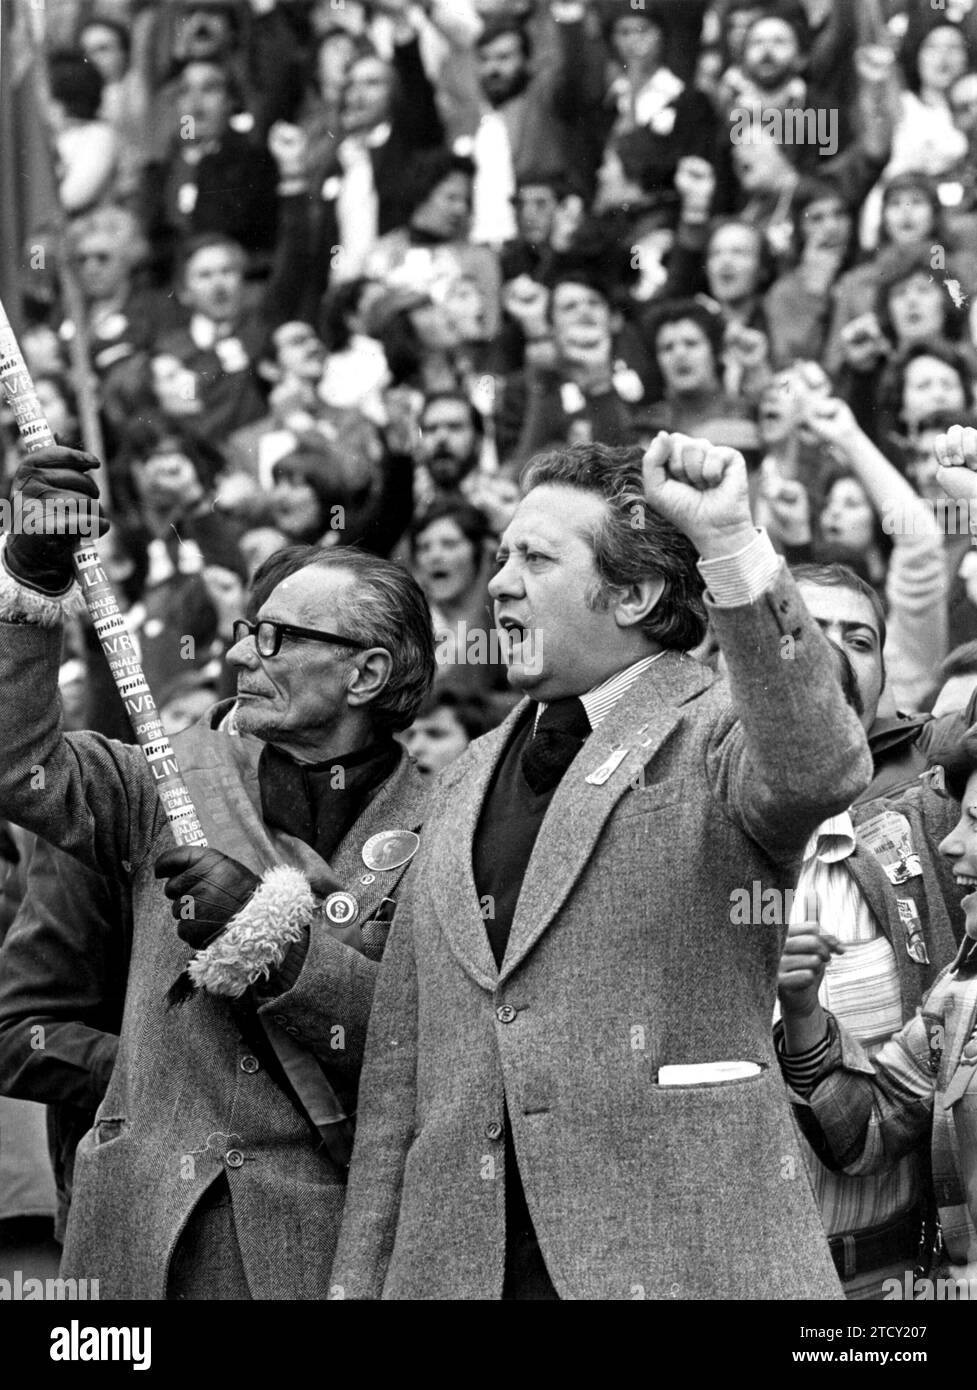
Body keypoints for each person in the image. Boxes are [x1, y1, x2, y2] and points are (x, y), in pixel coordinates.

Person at [330, 432, 872, 1300]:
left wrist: (729, 545)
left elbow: (818, 763)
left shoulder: (717, 730)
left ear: (634, 593)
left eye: (535, 559)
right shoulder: (461, 776)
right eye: (503, 555)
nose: (498, 582)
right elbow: (399, 1084)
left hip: (682, 1268)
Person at [0, 446, 435, 1300]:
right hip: (139, 1243)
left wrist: (282, 949)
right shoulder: (160, 780)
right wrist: (30, 581)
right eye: (245, 633)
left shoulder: (451, 820)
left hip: (330, 1248)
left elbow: (425, 1046)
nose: (242, 659)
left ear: (368, 672)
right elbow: (20, 764)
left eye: (277, 640)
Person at [776, 724, 977, 1292]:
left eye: (976, 823)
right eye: (957, 816)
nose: (946, 844)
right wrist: (801, 1013)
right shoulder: (958, 995)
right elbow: (864, 1132)